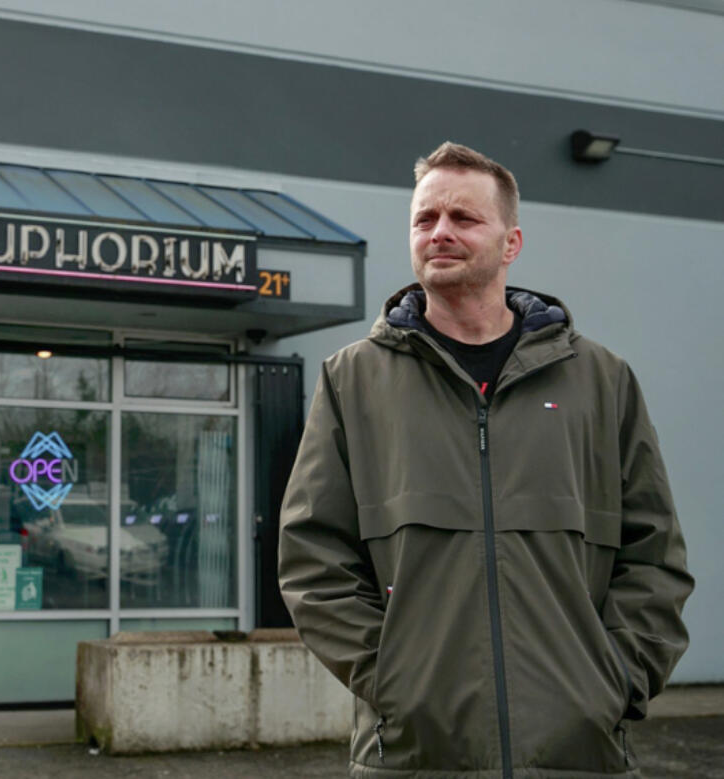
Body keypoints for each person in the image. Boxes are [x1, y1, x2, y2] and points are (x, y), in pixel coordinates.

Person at [278, 142, 693, 778]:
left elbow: (654, 555)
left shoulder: (601, 381)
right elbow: (312, 559)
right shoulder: (352, 380)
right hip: (418, 754)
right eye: (424, 219)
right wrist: (395, 682)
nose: (439, 232)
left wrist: (613, 684)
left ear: (511, 242)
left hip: (577, 754)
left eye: (463, 218)